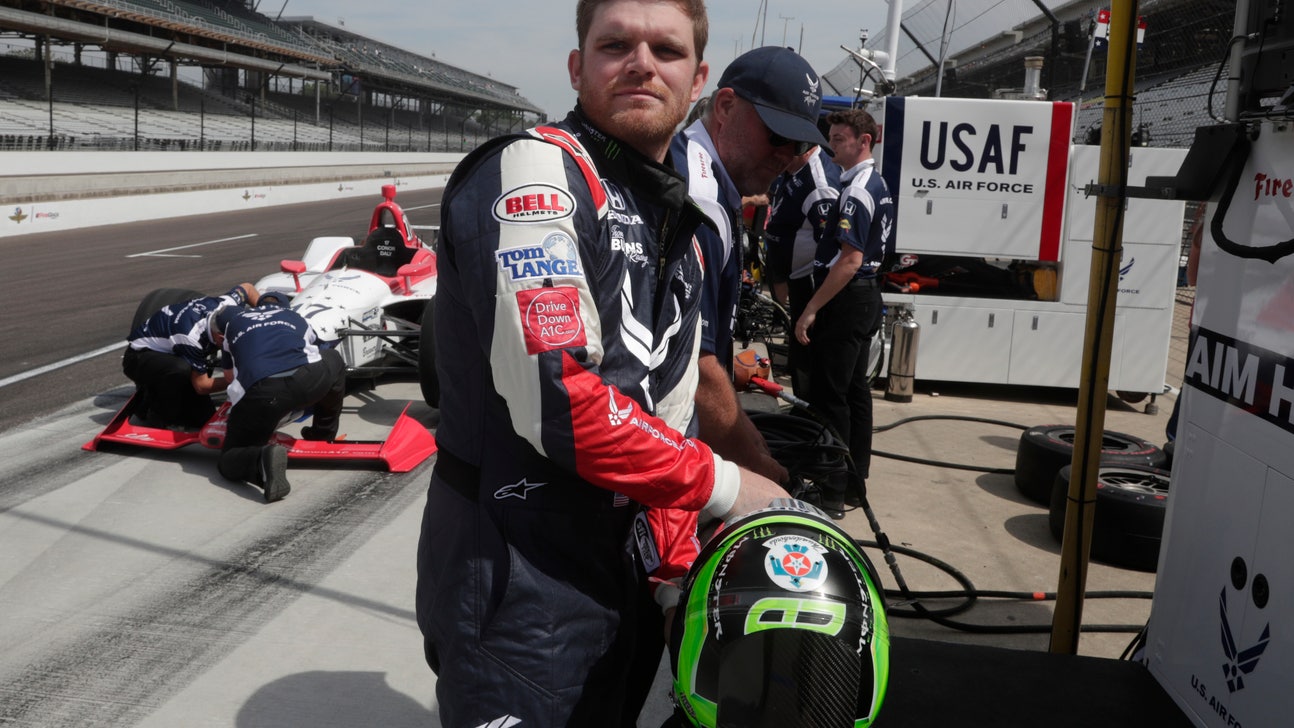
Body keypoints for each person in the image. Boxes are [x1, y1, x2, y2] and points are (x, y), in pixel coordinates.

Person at [415, 2, 788, 725]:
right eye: (616, 44)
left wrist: (678, 566)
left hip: (623, 570)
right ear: (578, 67)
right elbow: (556, 399)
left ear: (698, 78)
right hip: (517, 575)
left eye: (667, 51)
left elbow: (668, 412)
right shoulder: (536, 173)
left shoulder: (677, 215)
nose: (642, 62)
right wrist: (728, 485)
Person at [670, 45, 832, 487]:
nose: (787, 155)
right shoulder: (698, 195)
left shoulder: (710, 178)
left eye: (800, 144)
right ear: (724, 107)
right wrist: (760, 468)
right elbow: (693, 366)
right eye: (778, 135)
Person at [795, 108, 892, 519]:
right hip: (864, 297)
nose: (831, 146)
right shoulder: (875, 182)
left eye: (838, 139)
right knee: (854, 392)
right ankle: (853, 482)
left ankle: (832, 490)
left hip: (848, 297)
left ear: (863, 141)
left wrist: (810, 310)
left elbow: (849, 260)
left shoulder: (856, 191)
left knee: (830, 395)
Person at [208, 291, 346, 503]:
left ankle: (260, 459)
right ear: (285, 308)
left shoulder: (234, 323)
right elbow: (316, 351)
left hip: (263, 393)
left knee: (229, 458)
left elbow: (228, 375)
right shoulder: (297, 318)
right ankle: (323, 433)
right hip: (306, 381)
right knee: (333, 358)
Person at [123, 283, 259, 429]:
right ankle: (154, 411)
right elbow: (201, 386)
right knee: (180, 370)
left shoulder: (226, 303)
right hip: (139, 358)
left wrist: (270, 313)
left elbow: (248, 288)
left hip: (175, 347)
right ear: (220, 337)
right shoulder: (190, 338)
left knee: (205, 420)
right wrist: (240, 379)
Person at [765, 143, 841, 397]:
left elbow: (832, 248)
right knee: (798, 358)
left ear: (807, 149)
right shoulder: (793, 169)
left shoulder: (819, 184)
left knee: (807, 359)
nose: (781, 155)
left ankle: (808, 417)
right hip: (794, 278)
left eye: (789, 149)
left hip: (810, 283)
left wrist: (814, 305)